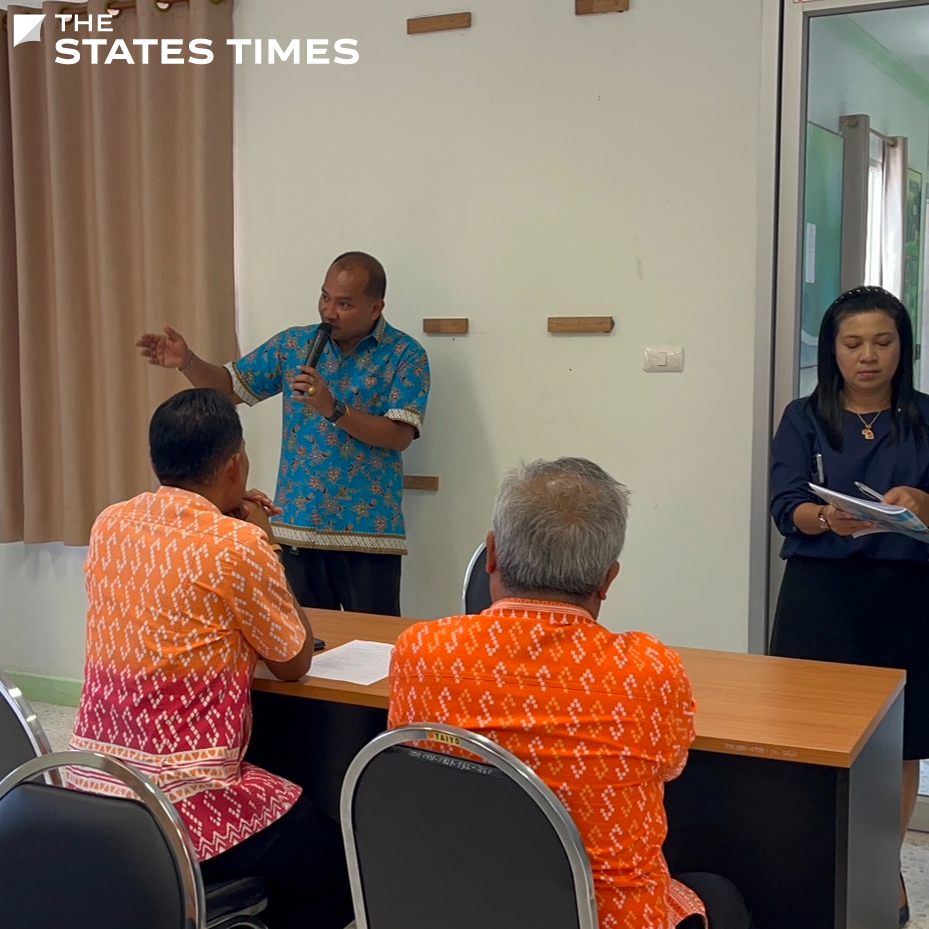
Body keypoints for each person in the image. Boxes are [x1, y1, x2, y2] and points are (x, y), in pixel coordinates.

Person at [389, 457, 754, 929]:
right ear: (608, 579)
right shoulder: (649, 672)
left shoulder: (421, 651)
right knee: (720, 894)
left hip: (455, 907)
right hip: (602, 918)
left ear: (492, 555)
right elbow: (672, 765)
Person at [68, 388, 351, 929]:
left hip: (97, 787)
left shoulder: (110, 524)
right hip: (186, 803)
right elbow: (293, 660)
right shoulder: (237, 545)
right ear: (235, 464)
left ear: (156, 460)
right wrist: (265, 541)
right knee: (341, 874)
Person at [135, 251, 431, 616]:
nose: (328, 312)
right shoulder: (294, 344)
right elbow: (231, 388)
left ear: (376, 308)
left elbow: (399, 435)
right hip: (295, 527)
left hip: (369, 534)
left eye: (344, 304)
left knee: (373, 641)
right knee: (307, 637)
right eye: (325, 297)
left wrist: (333, 408)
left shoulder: (405, 355)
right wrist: (188, 362)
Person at [770, 284, 929, 927]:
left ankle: (883, 869)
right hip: (821, 596)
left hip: (906, 595)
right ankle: (812, 864)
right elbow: (785, 505)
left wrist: (921, 503)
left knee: (900, 742)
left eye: (883, 342)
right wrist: (825, 519)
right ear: (833, 350)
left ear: (902, 348)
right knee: (810, 738)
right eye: (854, 343)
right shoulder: (803, 417)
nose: (868, 356)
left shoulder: (925, 415)